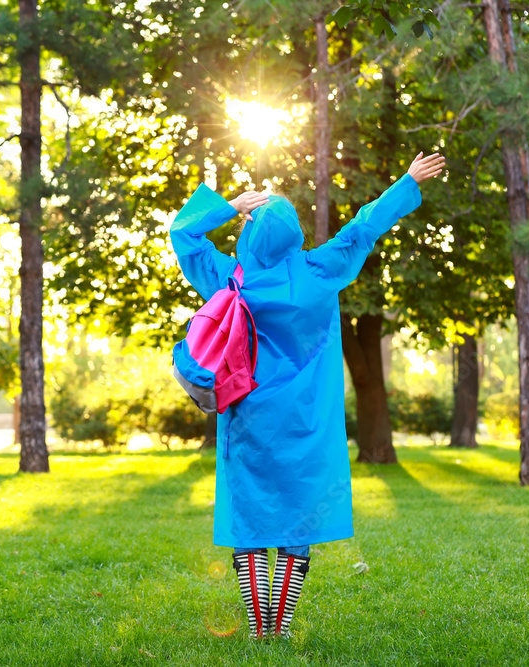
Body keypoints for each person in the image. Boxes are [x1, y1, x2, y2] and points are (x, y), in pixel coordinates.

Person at [169, 152, 446, 639]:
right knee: (297, 521)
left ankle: (260, 630)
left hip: (247, 417)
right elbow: (363, 229)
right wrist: (405, 181)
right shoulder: (320, 272)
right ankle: (281, 625)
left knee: (252, 522)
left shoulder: (229, 277)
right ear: (295, 232)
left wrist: (229, 206)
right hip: (307, 424)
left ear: (250, 234)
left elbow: (183, 235)